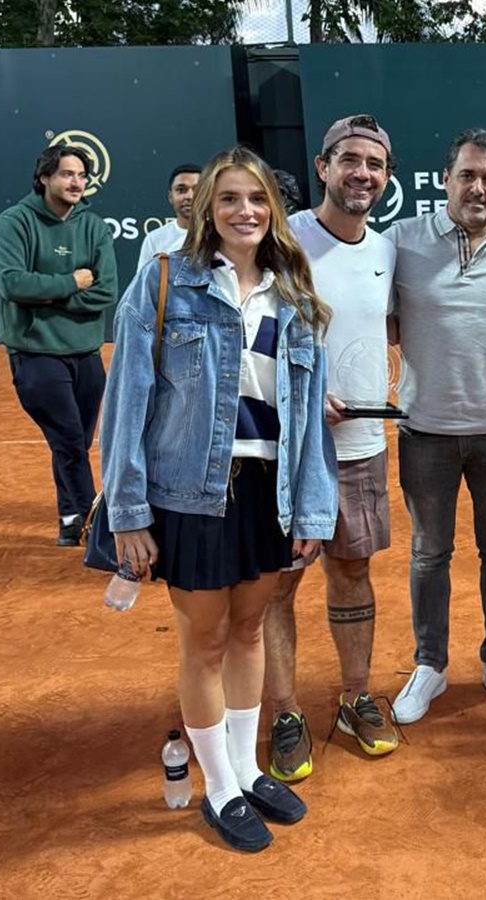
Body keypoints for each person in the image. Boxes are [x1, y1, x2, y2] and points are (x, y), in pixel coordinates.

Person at [99, 146, 337, 851]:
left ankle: (243, 765)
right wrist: (129, 512)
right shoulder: (163, 282)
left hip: (269, 491)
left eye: (257, 199)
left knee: (249, 630)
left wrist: (312, 508)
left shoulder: (294, 292)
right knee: (203, 641)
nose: (246, 212)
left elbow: (306, 416)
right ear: (207, 208)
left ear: (275, 209)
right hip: (190, 494)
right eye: (230, 198)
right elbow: (126, 402)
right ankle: (219, 786)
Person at [264, 114, 400, 782]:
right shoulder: (281, 239)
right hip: (285, 449)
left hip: (361, 446)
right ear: (322, 166)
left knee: (351, 573)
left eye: (375, 164)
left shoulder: (385, 249)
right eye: (349, 159)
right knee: (276, 585)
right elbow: (246, 332)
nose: (362, 174)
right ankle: (285, 713)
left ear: (387, 177)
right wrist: (301, 396)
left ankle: (354, 697)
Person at [389, 127, 486, 724]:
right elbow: (377, 319)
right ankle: (430, 664)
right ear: (445, 179)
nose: (479, 188)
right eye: (468, 176)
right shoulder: (401, 240)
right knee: (429, 552)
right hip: (424, 429)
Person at [0, 145, 118, 546]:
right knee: (67, 440)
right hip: (35, 354)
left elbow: (106, 292)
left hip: (86, 354)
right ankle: (99, 531)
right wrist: (71, 283)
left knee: (74, 445)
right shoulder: (16, 222)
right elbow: (13, 284)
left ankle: (69, 518)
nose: (76, 182)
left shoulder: (94, 227)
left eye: (81, 175)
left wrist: (46, 293)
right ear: (44, 178)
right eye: (66, 174)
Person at [136, 164, 201, 274]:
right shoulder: (154, 239)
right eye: (181, 190)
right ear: (170, 196)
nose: (189, 196)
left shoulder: (221, 236)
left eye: (197, 189)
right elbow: (143, 286)